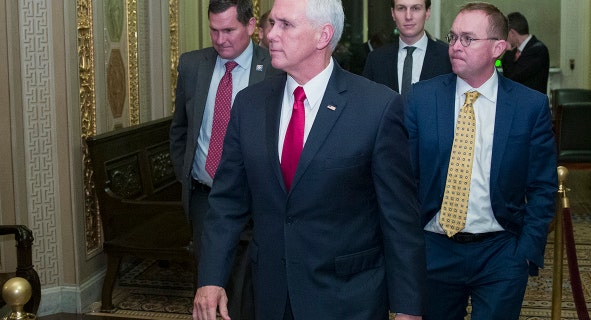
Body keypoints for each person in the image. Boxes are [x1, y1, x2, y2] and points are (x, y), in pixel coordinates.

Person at [192, 0, 426, 319]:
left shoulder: (377, 108)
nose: (270, 34)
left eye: (285, 25)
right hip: (269, 293)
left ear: (322, 36)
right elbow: (227, 202)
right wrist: (211, 279)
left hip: (347, 296)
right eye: (271, 23)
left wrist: (407, 307)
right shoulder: (249, 105)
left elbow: (399, 218)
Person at [404, 3, 557, 319]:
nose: (456, 46)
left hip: (501, 252)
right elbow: (405, 177)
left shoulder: (530, 107)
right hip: (435, 250)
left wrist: (525, 252)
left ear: (498, 48)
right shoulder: (422, 98)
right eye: (453, 37)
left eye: (468, 39)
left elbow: (543, 187)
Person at [169, 0, 280, 318]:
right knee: (210, 284)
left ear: (250, 27)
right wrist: (188, 177)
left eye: (229, 30)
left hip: (259, 198)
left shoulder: (274, 66)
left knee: (255, 285)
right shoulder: (192, 65)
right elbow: (179, 130)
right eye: (214, 31)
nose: (220, 39)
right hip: (207, 198)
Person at [363, 0, 452, 95]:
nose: (408, 16)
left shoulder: (448, 57)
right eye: (401, 8)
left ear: (427, 12)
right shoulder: (376, 59)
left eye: (416, 8)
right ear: (393, 13)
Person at [500, 12, 550, 95]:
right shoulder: (515, 52)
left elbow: (513, 77)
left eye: (505, 33)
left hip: (532, 103)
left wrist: (507, 50)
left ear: (512, 33)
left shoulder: (538, 50)